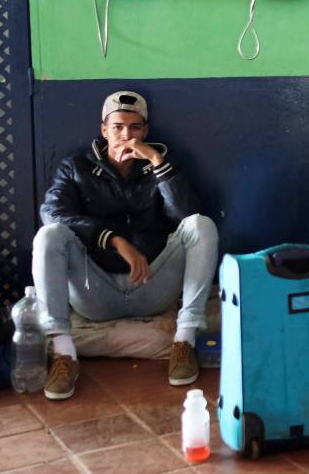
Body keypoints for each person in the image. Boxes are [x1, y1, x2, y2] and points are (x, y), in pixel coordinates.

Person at [31, 91, 218, 400]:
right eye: (117, 127)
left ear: (145, 131)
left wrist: (157, 162)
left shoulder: (160, 164)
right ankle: (64, 354)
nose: (126, 135)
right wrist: (114, 239)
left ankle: (184, 342)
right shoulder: (76, 166)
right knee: (49, 235)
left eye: (135, 127)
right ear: (104, 130)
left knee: (202, 225)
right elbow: (52, 213)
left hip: (152, 288)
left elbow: (186, 216)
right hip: (96, 292)